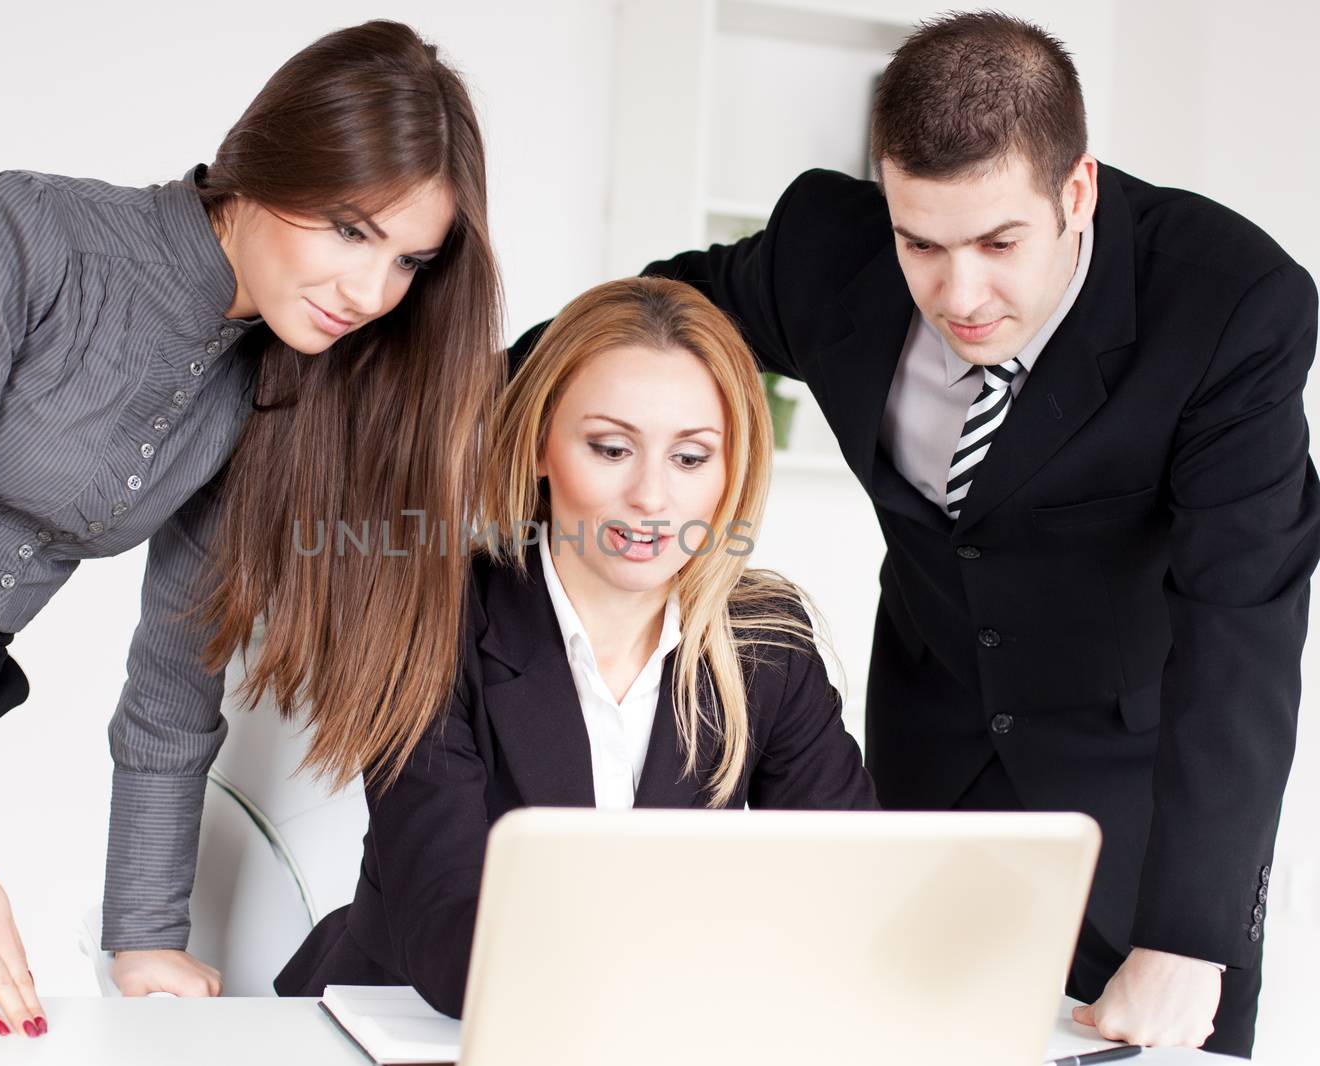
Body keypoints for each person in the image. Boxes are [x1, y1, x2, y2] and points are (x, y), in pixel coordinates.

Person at [510, 11, 1319, 1058]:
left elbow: (1242, 623)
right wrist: (466, 410)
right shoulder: (829, 254)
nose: (958, 293)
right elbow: (638, 327)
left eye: (997, 242)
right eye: (921, 244)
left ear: (1076, 190)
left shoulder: (1227, 305)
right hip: (922, 766)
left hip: (1139, 802)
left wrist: (1190, 936)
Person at [0, 20, 503, 1066]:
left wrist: (144, 939)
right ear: (265, 160)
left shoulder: (271, 383)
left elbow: (174, 684)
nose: (369, 293)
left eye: (408, 259)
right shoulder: (22, 231)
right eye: (349, 229)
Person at [275, 276, 878, 1015]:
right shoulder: (433, 621)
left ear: (731, 471)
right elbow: (458, 944)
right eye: (611, 447)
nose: (652, 499)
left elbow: (848, 894)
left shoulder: (764, 639)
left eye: (690, 458)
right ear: (537, 446)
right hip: (403, 1026)